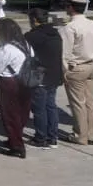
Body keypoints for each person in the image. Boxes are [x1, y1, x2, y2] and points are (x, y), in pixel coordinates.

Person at [0, 19, 34, 158]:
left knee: (10, 115)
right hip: (26, 81)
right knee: (21, 113)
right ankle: (14, 138)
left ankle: (17, 146)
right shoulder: (26, 45)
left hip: (9, 83)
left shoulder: (6, 49)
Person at [61, 0, 93, 145]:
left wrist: (65, 72)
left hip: (77, 67)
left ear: (71, 8)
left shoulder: (70, 27)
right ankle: (91, 134)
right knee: (90, 102)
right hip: (91, 64)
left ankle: (80, 135)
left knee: (78, 103)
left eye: (66, 5)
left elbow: (65, 53)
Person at [26, 9, 64, 148]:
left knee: (39, 109)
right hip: (54, 75)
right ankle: (52, 137)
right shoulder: (55, 34)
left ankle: (41, 137)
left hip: (40, 76)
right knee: (51, 106)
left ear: (35, 20)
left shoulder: (33, 36)